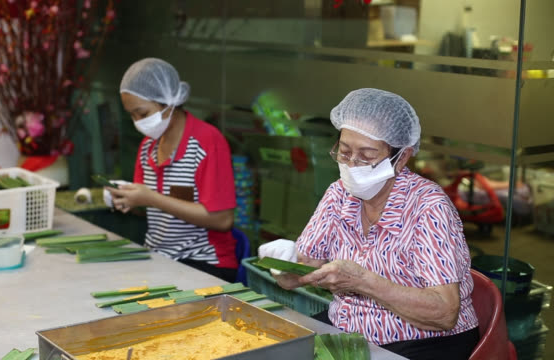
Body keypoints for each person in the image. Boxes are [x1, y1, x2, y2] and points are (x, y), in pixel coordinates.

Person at [259, 88, 479, 360]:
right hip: (349, 329)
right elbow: (307, 267)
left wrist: (364, 281)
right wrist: (287, 265)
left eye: (367, 155)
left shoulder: (428, 206)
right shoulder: (338, 194)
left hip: (424, 341)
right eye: (344, 151)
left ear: (403, 157)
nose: (352, 164)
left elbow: (445, 313)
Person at [105, 58, 238, 282]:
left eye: (143, 113)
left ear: (169, 102)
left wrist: (153, 199)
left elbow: (222, 219)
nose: (137, 122)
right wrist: (128, 199)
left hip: (204, 262)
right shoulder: (148, 146)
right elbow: (148, 203)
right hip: (158, 257)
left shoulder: (207, 142)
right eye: (132, 115)